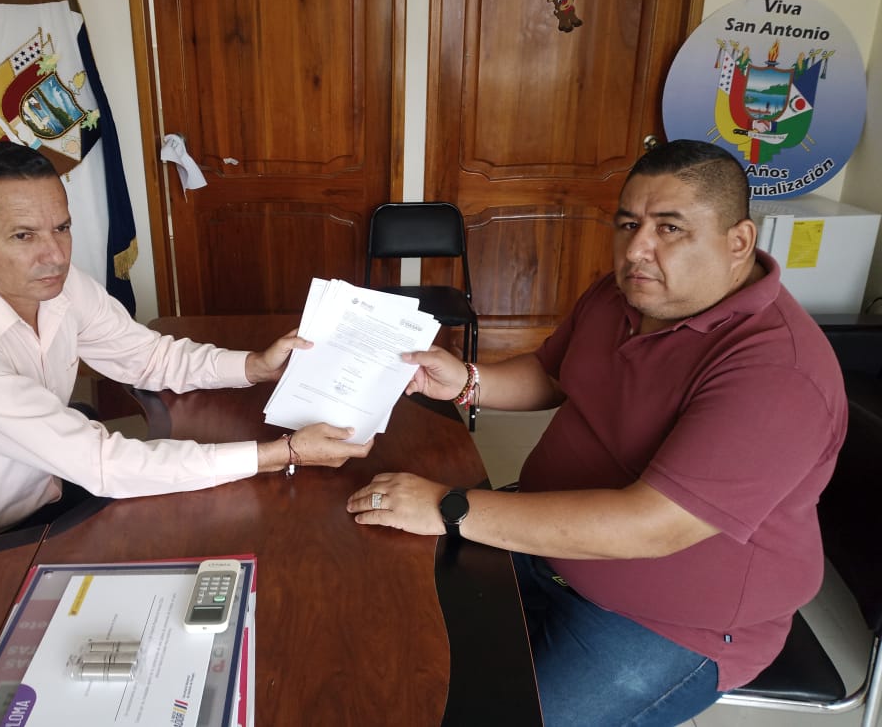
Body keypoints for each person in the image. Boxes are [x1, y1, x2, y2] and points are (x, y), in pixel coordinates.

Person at [346, 140, 847, 726]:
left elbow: (651, 526)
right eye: (629, 224)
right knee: (385, 615)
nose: (636, 249)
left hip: (667, 622)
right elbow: (554, 373)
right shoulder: (622, 293)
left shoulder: (777, 372)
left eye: (670, 228)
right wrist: (467, 381)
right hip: (542, 545)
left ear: (738, 242)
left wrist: (448, 507)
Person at [0, 140, 372, 544]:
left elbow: (147, 357)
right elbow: (101, 463)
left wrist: (256, 366)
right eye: (23, 236)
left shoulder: (56, 284)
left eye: (62, 228)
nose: (55, 255)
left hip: (48, 500)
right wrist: (283, 454)